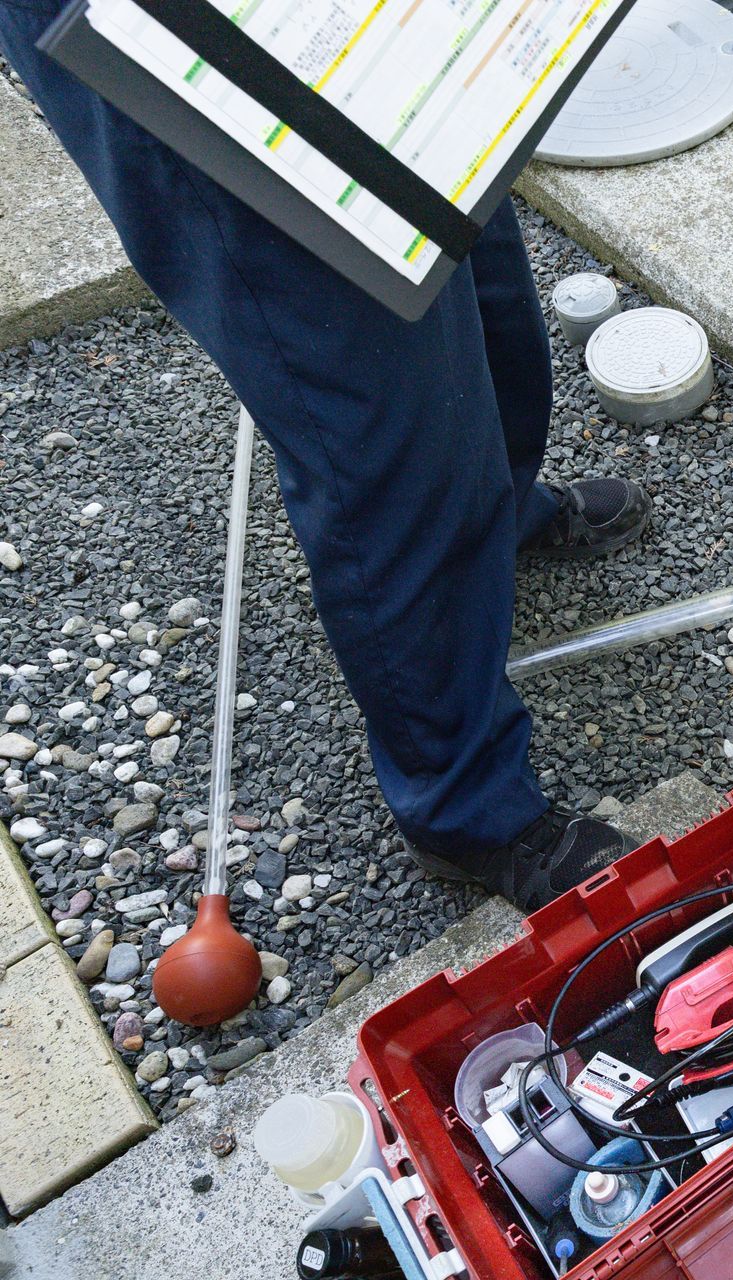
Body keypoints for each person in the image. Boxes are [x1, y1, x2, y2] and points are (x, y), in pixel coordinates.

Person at [1, 2, 639, 909]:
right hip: (188, 33)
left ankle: (493, 516)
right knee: (363, 382)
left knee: (463, 239)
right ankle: (465, 804)